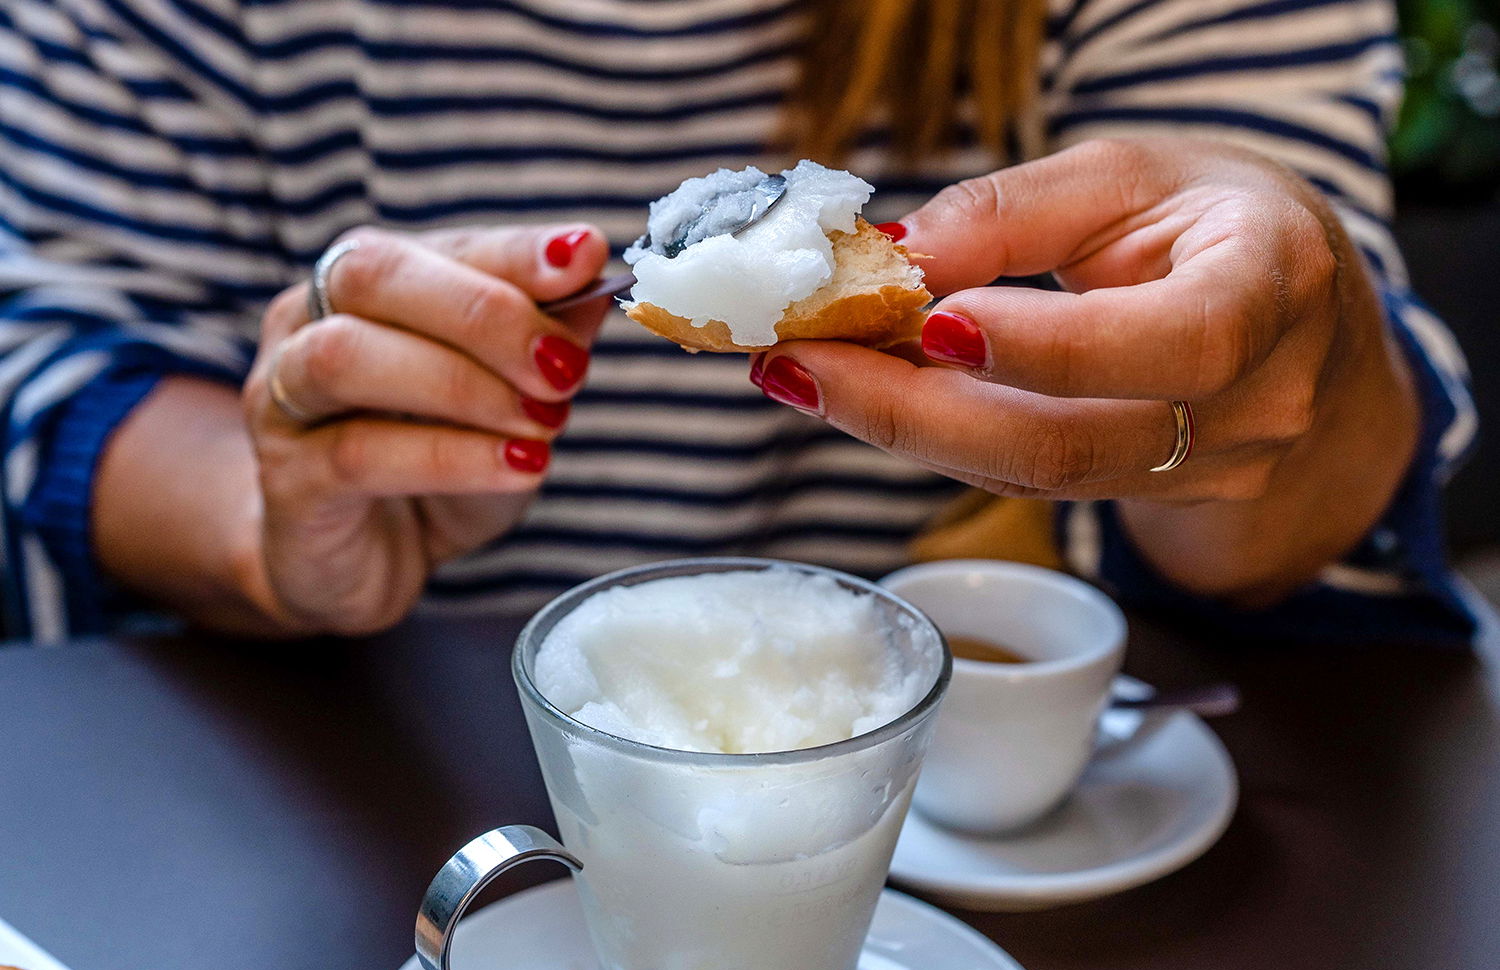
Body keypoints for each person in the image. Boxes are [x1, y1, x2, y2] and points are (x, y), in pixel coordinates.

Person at [0, 0, 1478, 643]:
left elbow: (1287, 479)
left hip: (964, 831)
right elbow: (45, 341)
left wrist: (1292, 345)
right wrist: (269, 514)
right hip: (369, 795)